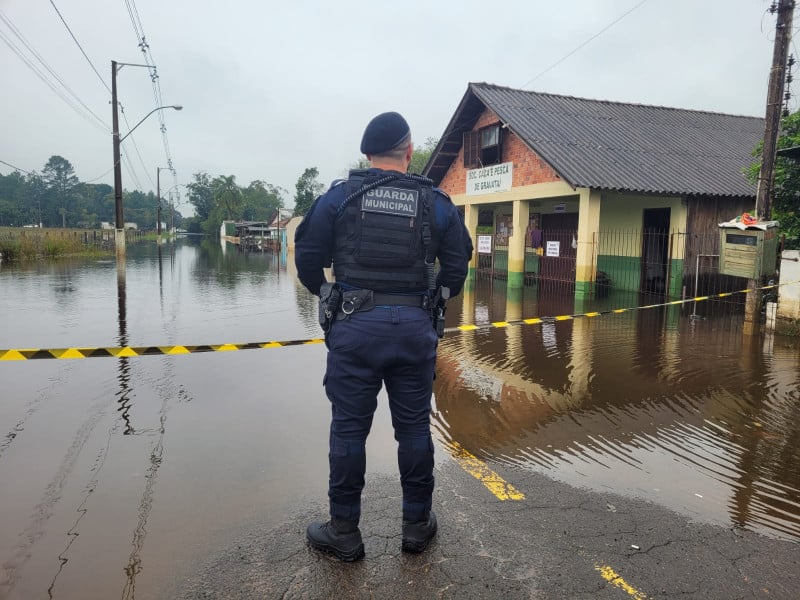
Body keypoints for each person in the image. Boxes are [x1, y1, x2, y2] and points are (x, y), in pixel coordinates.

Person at [294, 111, 472, 561]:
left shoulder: (338, 199)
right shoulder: (435, 203)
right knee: (413, 428)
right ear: (410, 152)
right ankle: (416, 526)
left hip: (355, 328)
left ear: (366, 154)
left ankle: (344, 532)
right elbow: (456, 267)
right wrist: (429, 302)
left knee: (349, 430)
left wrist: (332, 297)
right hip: (415, 331)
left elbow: (308, 260)